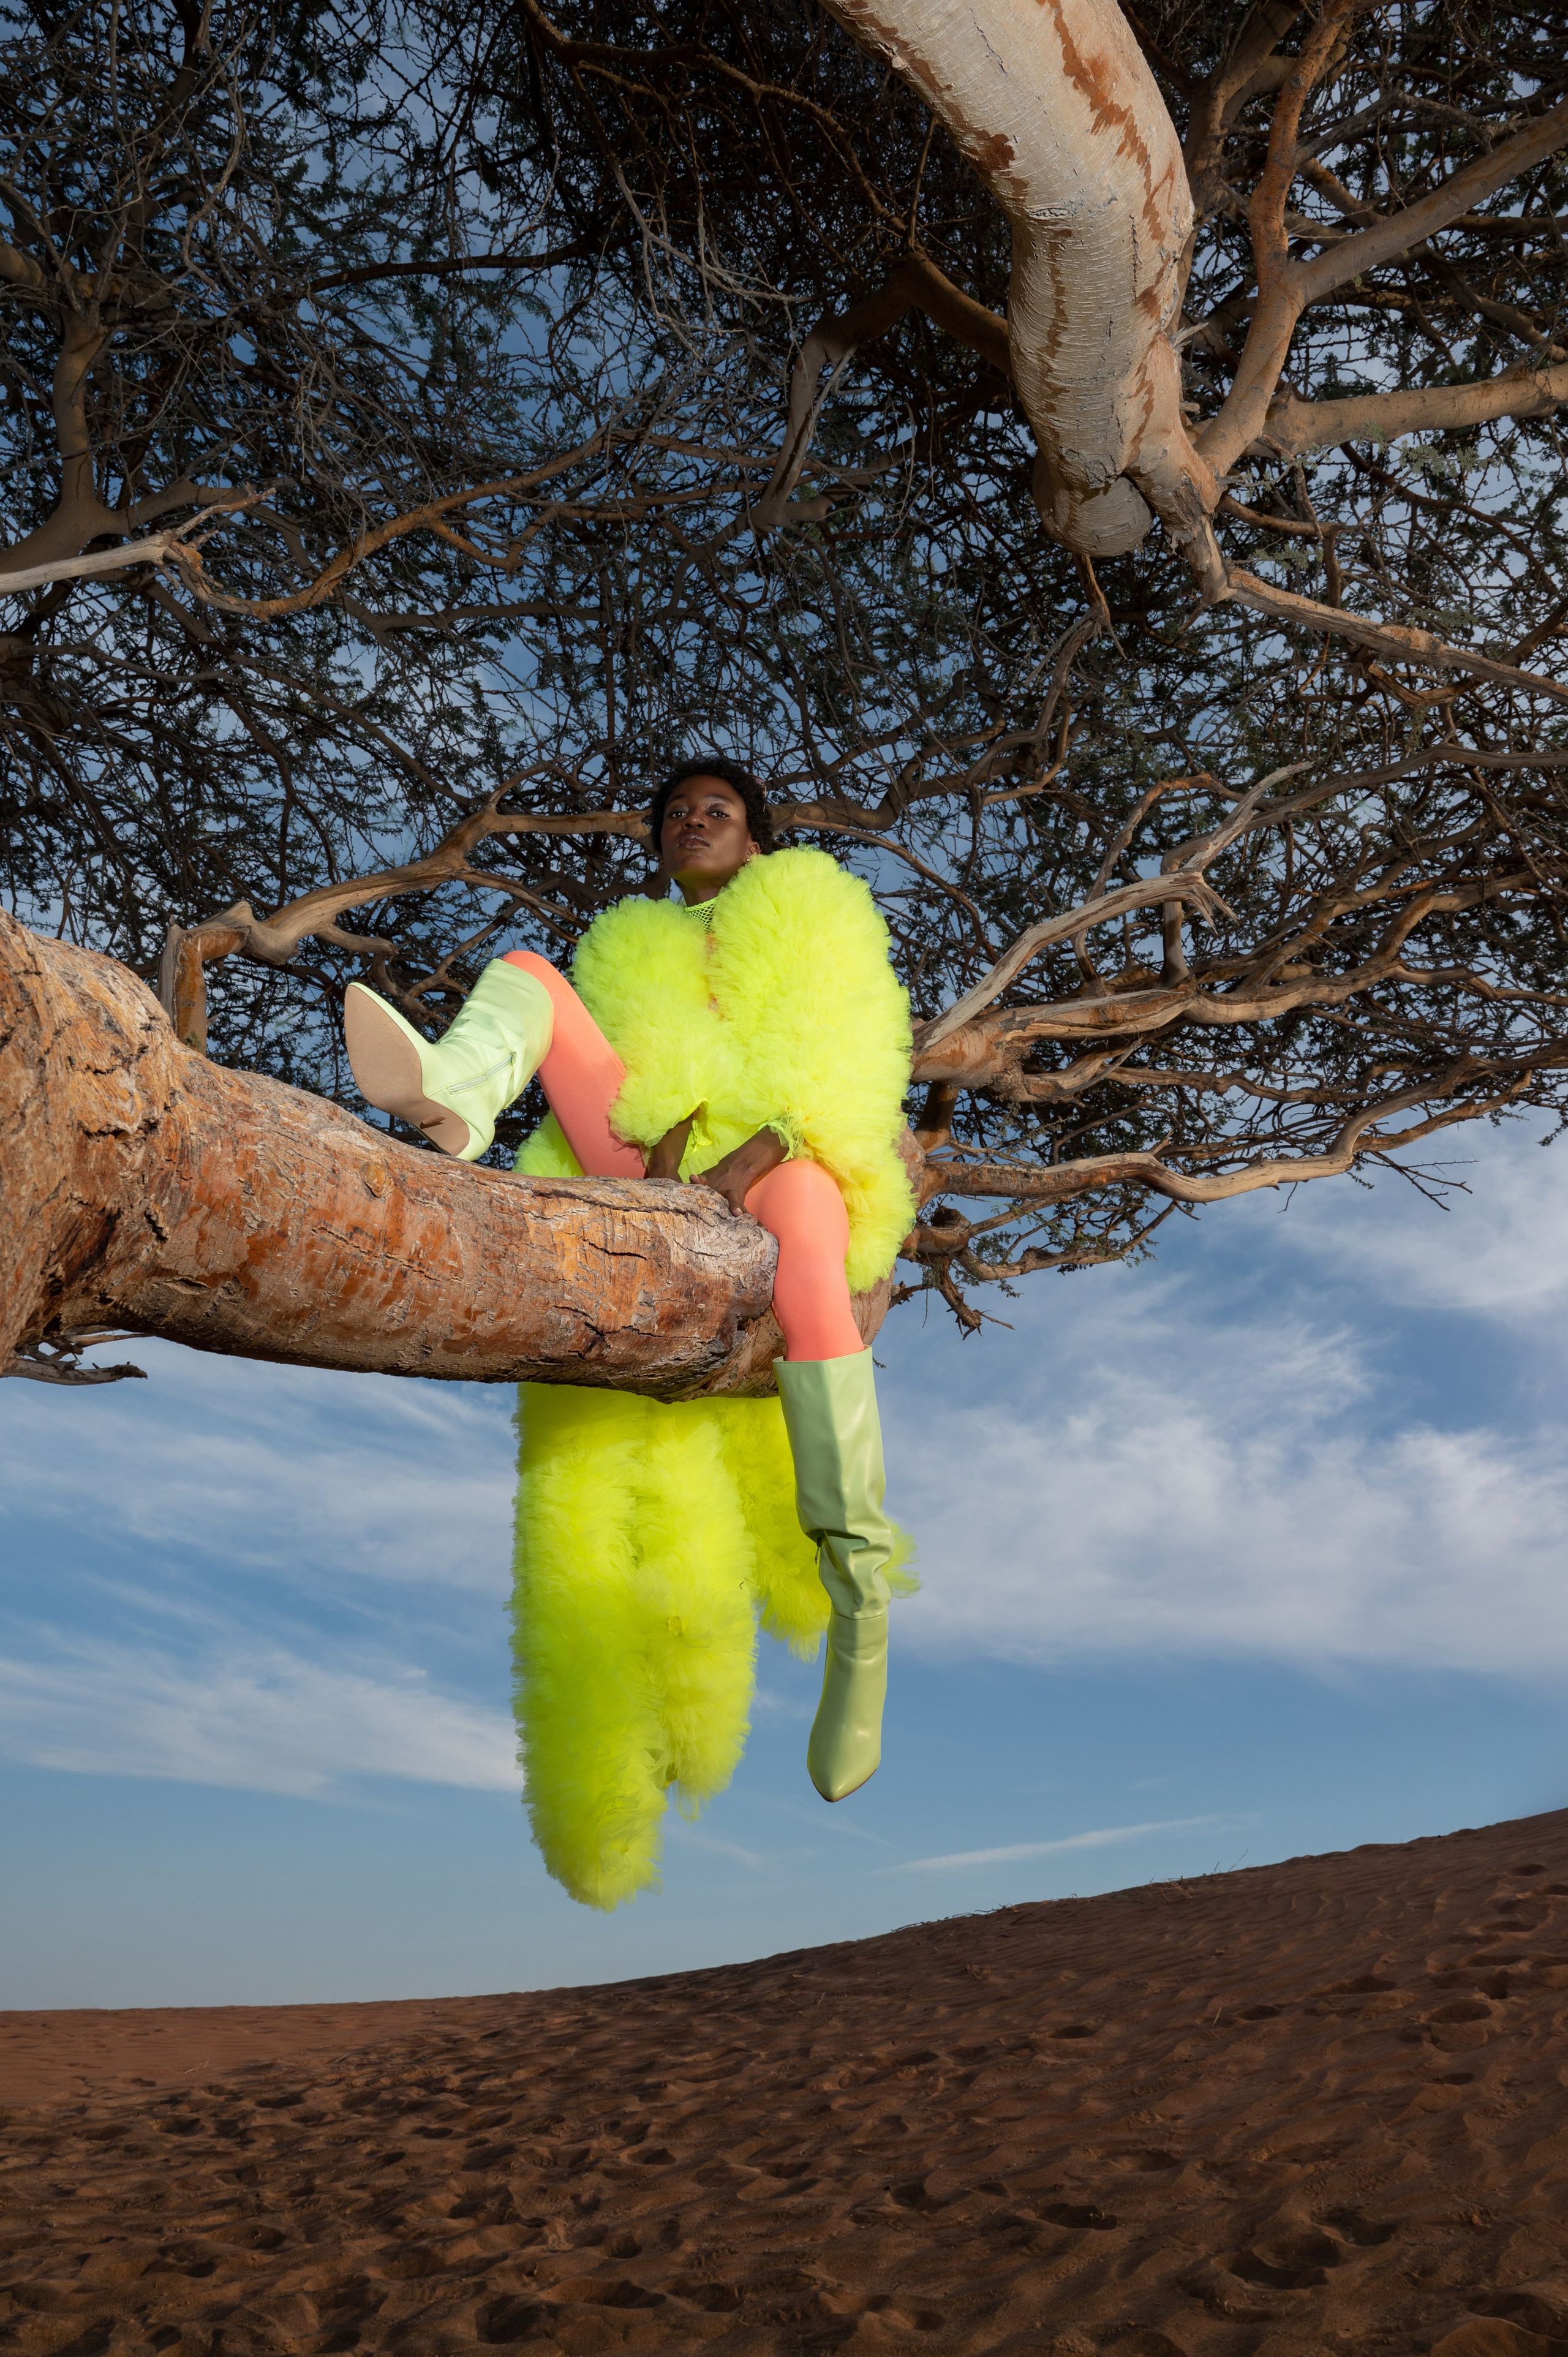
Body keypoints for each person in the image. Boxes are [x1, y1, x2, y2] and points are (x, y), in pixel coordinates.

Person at [343, 760, 916, 1907]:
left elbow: (838, 1062)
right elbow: (620, 1084)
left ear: (756, 838)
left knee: (806, 1229)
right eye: (673, 813)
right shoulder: (627, 941)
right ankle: (453, 1096)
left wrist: (745, 1162)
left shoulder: (814, 903)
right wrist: (661, 1167)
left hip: (775, 1153)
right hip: (650, 1150)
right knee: (526, 975)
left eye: (717, 810)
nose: (690, 821)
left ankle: (861, 1591)